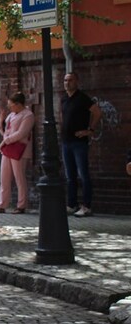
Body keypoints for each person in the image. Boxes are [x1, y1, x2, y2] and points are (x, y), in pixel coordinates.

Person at [61, 72, 102, 217]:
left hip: (79, 143)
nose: (67, 83)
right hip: (66, 142)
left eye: (70, 80)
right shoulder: (64, 99)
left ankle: (86, 206)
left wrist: (89, 130)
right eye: (65, 80)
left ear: (77, 81)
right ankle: (72, 204)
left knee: (83, 174)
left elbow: (97, 112)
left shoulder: (82, 98)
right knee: (70, 176)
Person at [0, 92, 35, 214]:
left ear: (18, 104)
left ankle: (21, 205)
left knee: (19, 177)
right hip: (8, 149)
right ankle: (1, 205)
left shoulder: (28, 115)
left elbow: (21, 133)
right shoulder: (11, 115)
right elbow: (6, 132)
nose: (10, 107)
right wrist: (1, 120)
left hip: (20, 150)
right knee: (4, 177)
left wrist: (5, 142)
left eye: (11, 105)